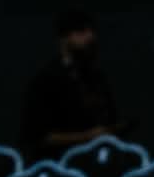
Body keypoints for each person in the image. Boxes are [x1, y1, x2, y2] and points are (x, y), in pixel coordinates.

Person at [19, 9, 130, 161]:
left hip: (97, 162)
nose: (90, 37)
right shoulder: (46, 80)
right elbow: (36, 136)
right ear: (64, 38)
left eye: (91, 31)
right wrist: (87, 136)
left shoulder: (97, 78)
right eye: (81, 31)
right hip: (60, 164)